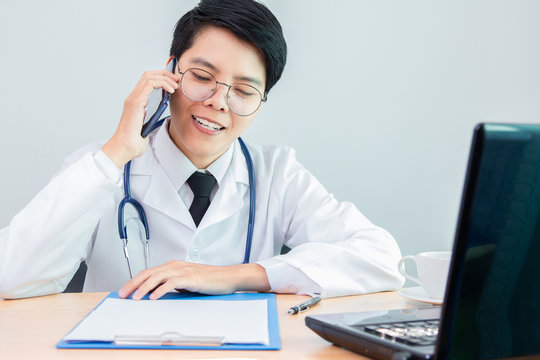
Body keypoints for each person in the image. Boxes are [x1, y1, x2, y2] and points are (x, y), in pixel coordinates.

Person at [0, 0, 404, 300]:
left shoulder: (277, 173)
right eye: (202, 77)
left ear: (262, 100)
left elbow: (382, 258)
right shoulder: (100, 168)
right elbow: (11, 276)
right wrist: (116, 152)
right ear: (170, 71)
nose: (219, 101)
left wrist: (232, 276)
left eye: (244, 90)